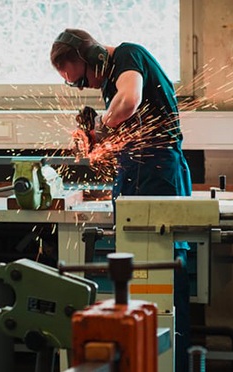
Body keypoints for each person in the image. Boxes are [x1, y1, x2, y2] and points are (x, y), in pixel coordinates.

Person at [50, 28, 193, 372]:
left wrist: (99, 127)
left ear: (94, 57)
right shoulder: (111, 79)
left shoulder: (128, 56)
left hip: (158, 174)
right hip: (136, 173)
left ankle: (170, 360)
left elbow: (128, 103)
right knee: (138, 279)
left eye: (81, 80)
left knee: (165, 277)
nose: (85, 87)